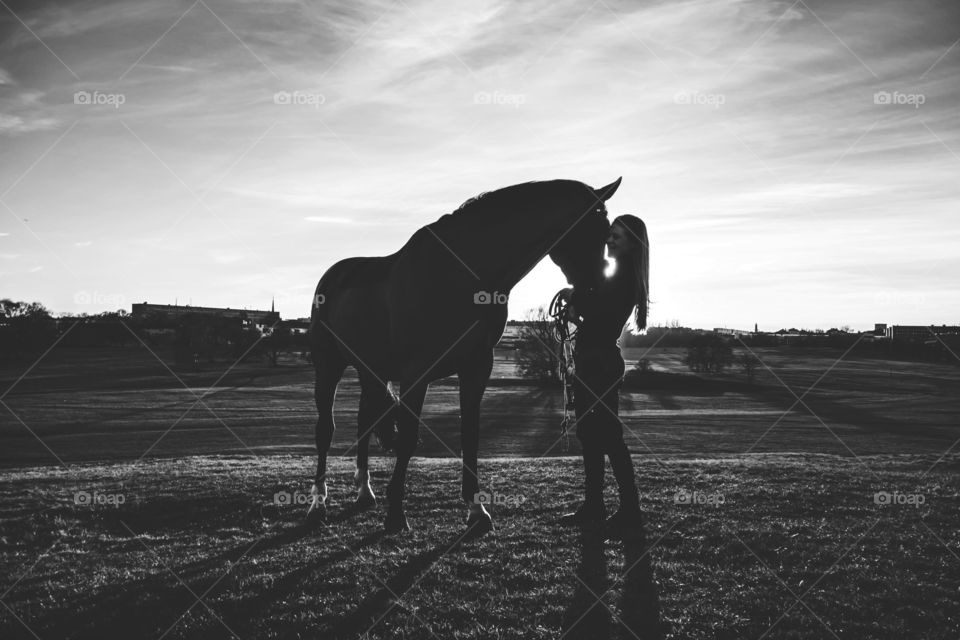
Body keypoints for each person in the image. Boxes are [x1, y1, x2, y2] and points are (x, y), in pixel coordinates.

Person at [558, 214, 650, 532]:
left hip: (598, 363)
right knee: (592, 435)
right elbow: (598, 316)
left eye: (618, 237)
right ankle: (597, 506)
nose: (610, 241)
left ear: (631, 245)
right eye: (609, 235)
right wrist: (577, 309)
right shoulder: (620, 276)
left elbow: (598, 310)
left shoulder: (622, 275)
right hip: (595, 360)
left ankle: (627, 510)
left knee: (608, 436)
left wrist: (575, 298)